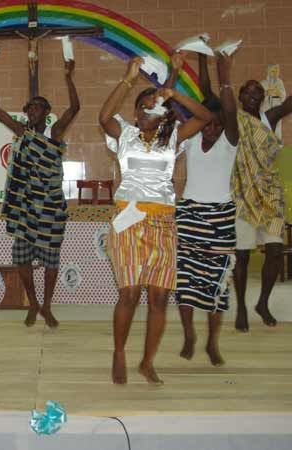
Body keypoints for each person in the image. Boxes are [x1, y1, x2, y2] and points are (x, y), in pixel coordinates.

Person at [99, 56, 211, 384]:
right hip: (129, 220)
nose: (150, 109)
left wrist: (173, 93)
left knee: (160, 297)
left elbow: (206, 117)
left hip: (164, 222)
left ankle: (147, 362)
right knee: (130, 293)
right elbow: (103, 116)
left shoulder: (173, 137)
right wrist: (128, 78)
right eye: (144, 106)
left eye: (155, 105)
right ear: (136, 113)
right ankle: (119, 352)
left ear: (163, 113)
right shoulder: (124, 134)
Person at [0, 58, 80, 328]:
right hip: (26, 209)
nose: (32, 111)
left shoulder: (54, 132)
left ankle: (47, 305)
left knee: (51, 261)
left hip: (50, 208)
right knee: (22, 258)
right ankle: (33, 302)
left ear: (46, 112)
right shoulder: (22, 132)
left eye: (37, 108)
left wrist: (69, 77)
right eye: (29, 109)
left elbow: (75, 108)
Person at [205, 64, 292, 331]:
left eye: (258, 93)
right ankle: (241, 306)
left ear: (263, 98)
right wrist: (202, 57)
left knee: (275, 251)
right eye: (249, 92)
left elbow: (289, 103)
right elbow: (207, 93)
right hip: (242, 195)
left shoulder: (269, 118)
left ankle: (262, 302)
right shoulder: (232, 118)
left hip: (270, 195)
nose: (254, 96)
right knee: (241, 255)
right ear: (241, 96)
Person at [167, 53, 239, 366]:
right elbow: (168, 113)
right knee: (185, 280)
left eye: (217, 124)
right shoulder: (190, 140)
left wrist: (225, 76)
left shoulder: (230, 142)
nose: (212, 128)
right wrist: (172, 76)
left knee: (217, 284)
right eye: (208, 123)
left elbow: (230, 110)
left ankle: (212, 342)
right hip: (189, 215)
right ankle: (189, 335)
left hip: (221, 219)